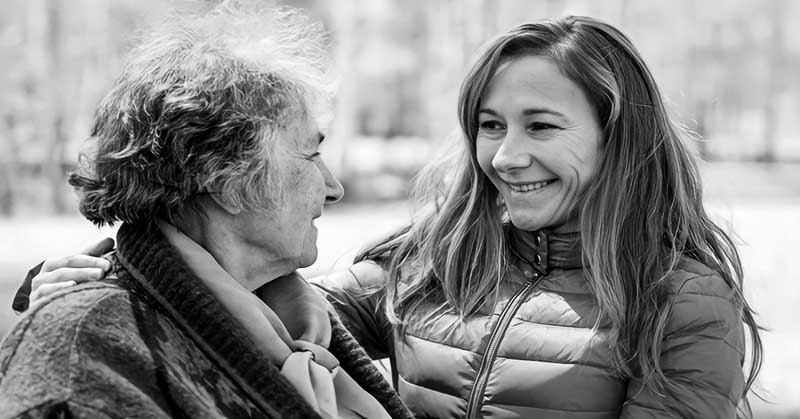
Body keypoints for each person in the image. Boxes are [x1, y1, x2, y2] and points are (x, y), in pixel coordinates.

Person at [17, 16, 763, 419]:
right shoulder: (437, 258)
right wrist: (98, 267)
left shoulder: (680, 302)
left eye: (542, 126)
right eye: (490, 125)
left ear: (617, 139)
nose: (504, 157)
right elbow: (239, 291)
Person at [0, 4, 412, 419]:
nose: (333, 189)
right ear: (225, 178)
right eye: (310, 154)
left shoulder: (295, 320)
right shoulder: (87, 349)